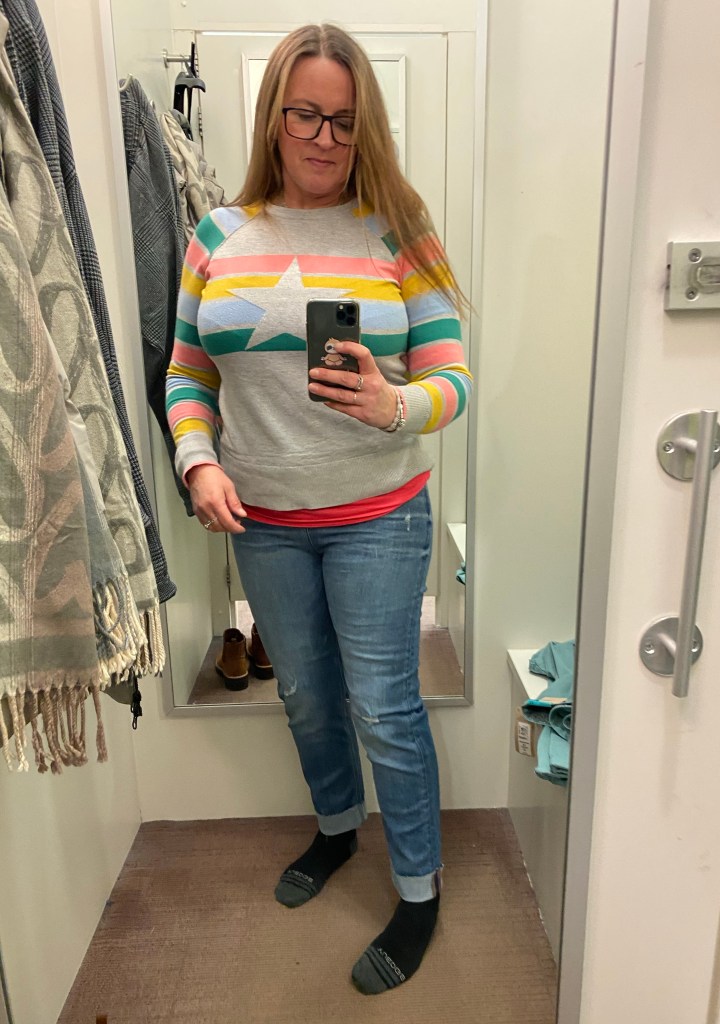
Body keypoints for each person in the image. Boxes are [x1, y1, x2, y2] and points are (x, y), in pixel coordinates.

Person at [166, 23, 472, 995]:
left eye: (344, 120)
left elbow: (454, 379)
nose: (324, 137)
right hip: (263, 521)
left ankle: (418, 888)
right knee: (302, 693)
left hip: (380, 513)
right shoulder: (218, 236)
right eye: (305, 114)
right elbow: (187, 374)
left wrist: (394, 404)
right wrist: (198, 462)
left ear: (364, 125)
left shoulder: (399, 231)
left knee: (384, 704)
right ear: (274, 117)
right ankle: (338, 828)